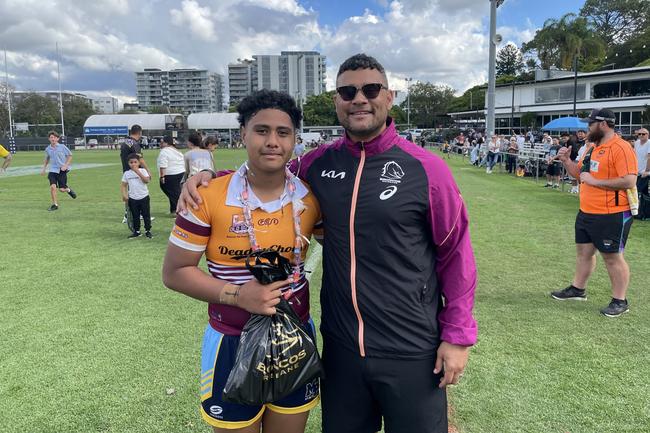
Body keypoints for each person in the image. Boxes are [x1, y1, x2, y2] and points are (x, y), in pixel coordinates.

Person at [180, 53, 477, 433]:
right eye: (347, 91)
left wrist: (457, 336)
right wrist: (209, 176)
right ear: (336, 100)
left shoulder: (427, 169)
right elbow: (267, 174)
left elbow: (456, 255)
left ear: (390, 97)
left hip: (412, 348)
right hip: (341, 349)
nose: (359, 99)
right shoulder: (317, 165)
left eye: (371, 89)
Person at [162, 90, 322, 433]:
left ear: (295, 139)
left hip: (294, 337)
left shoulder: (310, 198)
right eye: (261, 130)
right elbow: (175, 272)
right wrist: (237, 296)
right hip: (231, 339)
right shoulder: (206, 195)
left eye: (283, 132)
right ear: (243, 135)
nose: (272, 141)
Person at [552, 108, 638, 317]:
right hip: (587, 211)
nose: (586, 129)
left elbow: (629, 180)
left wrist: (596, 182)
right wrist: (566, 161)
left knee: (612, 257)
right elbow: (579, 175)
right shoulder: (591, 147)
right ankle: (577, 289)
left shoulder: (621, 148)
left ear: (602, 124)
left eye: (589, 124)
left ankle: (620, 300)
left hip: (612, 213)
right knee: (584, 253)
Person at [40, 130, 77, 211]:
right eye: (51, 137)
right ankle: (55, 205)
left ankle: (68, 190)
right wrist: (44, 169)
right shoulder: (48, 149)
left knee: (62, 189)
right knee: (53, 187)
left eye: (54, 137)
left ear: (57, 139)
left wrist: (65, 165)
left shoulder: (62, 147)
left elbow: (70, 155)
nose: (52, 139)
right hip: (53, 170)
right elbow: (47, 159)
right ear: (49, 139)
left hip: (62, 170)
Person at [121, 153, 152, 239]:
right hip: (133, 198)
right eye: (131, 162)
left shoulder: (143, 171)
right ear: (128, 163)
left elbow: (146, 181)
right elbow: (123, 185)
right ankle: (137, 231)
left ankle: (148, 230)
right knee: (135, 215)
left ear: (139, 163)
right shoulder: (127, 174)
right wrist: (124, 195)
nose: (133, 164)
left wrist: (137, 172)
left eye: (135, 162)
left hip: (144, 196)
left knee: (146, 215)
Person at [157, 135, 185, 215]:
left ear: (166, 143)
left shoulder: (164, 151)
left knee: (173, 193)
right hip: (181, 173)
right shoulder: (176, 151)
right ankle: (173, 209)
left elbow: (163, 165)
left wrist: (162, 176)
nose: (160, 144)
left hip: (170, 175)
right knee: (175, 192)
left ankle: (180, 210)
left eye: (162, 142)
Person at [633, 127, 650, 194]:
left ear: (648, 135)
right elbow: (634, 155)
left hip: (646, 172)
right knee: (644, 192)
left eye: (643, 134)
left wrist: (646, 171)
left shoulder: (649, 143)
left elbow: (649, 158)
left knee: (637, 190)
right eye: (639, 134)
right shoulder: (636, 143)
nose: (641, 135)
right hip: (638, 172)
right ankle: (644, 204)